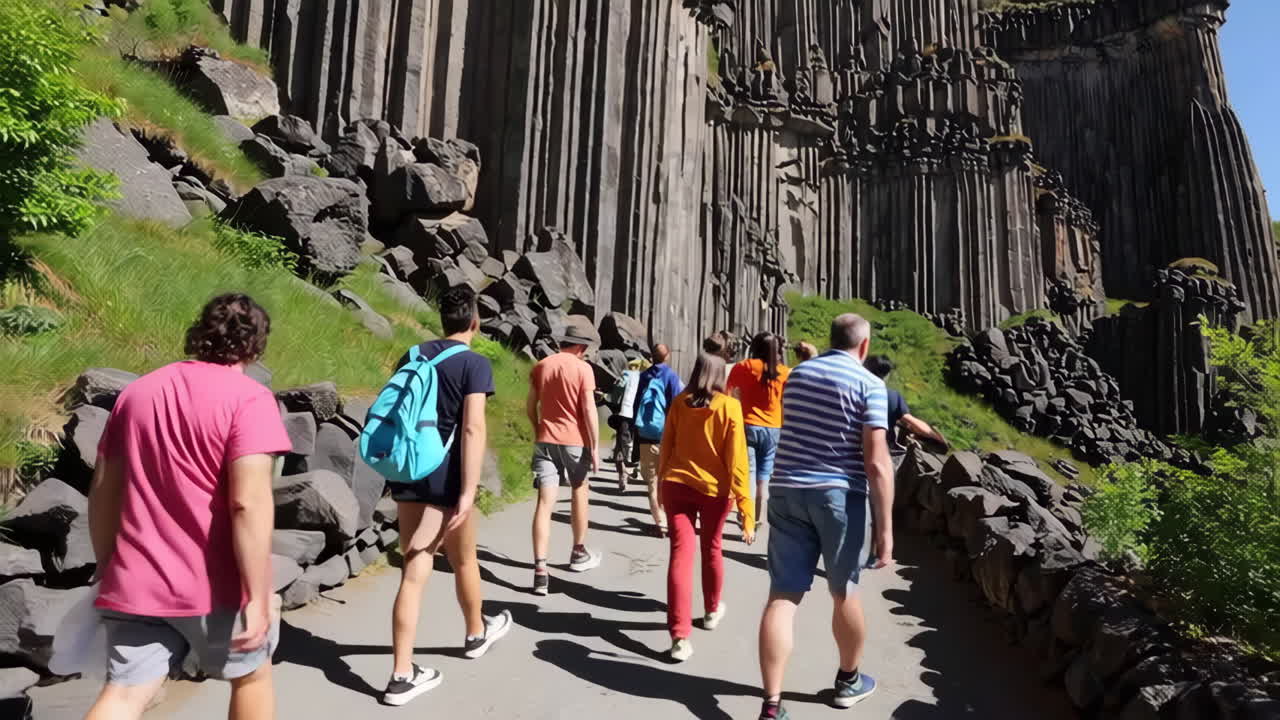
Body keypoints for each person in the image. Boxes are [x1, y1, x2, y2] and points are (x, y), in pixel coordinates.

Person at [85, 294, 291, 720]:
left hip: (137, 581)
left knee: (123, 695)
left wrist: (109, 564)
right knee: (252, 677)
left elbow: (103, 490)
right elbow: (247, 504)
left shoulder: (138, 393)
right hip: (214, 587)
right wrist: (256, 595)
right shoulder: (250, 400)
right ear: (255, 346)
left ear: (200, 333)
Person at [755, 314, 895, 719]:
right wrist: (884, 529)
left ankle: (771, 705)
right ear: (864, 346)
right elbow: (878, 463)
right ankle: (848, 681)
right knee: (844, 591)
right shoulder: (870, 384)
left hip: (785, 489)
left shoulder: (797, 376)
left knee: (782, 596)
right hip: (838, 496)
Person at [383, 286, 512, 706]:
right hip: (446, 480)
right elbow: (473, 428)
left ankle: (478, 628)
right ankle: (404, 674)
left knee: (419, 561)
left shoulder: (415, 354)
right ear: (474, 321)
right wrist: (469, 491)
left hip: (408, 470)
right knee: (443, 564)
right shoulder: (475, 364)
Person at [657, 352, 756, 662]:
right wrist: (746, 510)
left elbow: (666, 447)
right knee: (711, 548)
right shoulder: (729, 407)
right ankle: (712, 610)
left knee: (680, 556)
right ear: (720, 376)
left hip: (677, 485)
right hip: (716, 491)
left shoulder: (678, 404)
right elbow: (738, 461)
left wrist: (661, 486)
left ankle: (679, 637)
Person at [527, 319, 604, 596]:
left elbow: (529, 405)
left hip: (545, 440)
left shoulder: (542, 366)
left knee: (544, 503)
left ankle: (540, 570)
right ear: (581, 347)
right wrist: (594, 447)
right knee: (579, 490)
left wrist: (539, 430)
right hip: (575, 442)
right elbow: (588, 410)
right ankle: (578, 553)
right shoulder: (583, 369)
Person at [726, 332, 791, 528]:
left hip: (747, 425)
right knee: (764, 476)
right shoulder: (785, 373)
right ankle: (756, 518)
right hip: (773, 428)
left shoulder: (744, 366)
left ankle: (746, 517)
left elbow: (727, 391)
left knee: (749, 473)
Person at [634, 343, 684, 536]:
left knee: (652, 481)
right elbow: (676, 405)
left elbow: (637, 404)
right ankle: (669, 517)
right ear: (667, 356)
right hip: (666, 435)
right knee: (667, 479)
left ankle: (660, 521)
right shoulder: (671, 376)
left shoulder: (643, 376)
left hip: (646, 434)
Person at [863, 355, 948, 454]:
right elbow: (911, 421)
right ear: (886, 375)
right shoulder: (892, 396)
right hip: (881, 448)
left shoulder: (854, 389)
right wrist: (936, 437)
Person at [604, 357, 647, 492]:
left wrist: (607, 398)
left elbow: (617, 392)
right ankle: (637, 467)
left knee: (621, 444)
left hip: (625, 413)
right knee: (639, 443)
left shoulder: (627, 374)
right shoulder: (648, 377)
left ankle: (622, 473)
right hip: (641, 415)